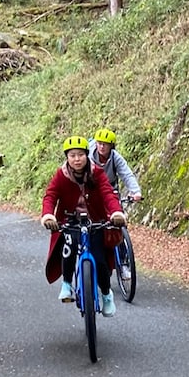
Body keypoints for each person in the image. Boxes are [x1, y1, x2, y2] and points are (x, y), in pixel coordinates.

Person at [41, 136, 128, 317]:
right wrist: (48, 215)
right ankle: (66, 284)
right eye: (72, 155)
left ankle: (106, 294)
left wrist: (116, 212)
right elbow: (50, 195)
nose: (77, 159)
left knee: (100, 259)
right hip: (69, 220)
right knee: (68, 246)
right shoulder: (61, 175)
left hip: (95, 221)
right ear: (67, 157)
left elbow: (107, 193)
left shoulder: (97, 172)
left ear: (87, 155)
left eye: (80, 155)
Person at [89, 128, 142, 206]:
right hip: (90, 186)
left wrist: (136, 192)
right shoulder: (87, 154)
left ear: (111, 146)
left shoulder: (116, 158)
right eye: (99, 143)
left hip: (109, 187)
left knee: (117, 211)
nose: (102, 147)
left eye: (105, 144)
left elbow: (126, 174)